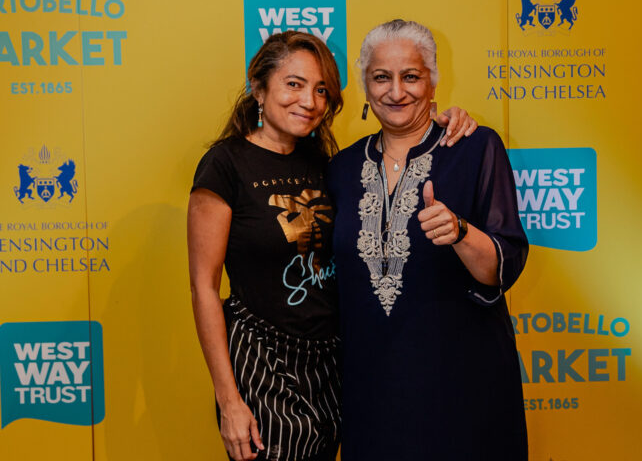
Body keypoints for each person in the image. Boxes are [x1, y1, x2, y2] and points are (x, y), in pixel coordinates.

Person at [187, 30, 477, 461]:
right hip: (264, 365)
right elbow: (204, 288)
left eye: (322, 89)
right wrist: (229, 401)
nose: (310, 100)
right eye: (294, 84)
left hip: (333, 365)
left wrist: (443, 118)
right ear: (258, 87)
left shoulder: (330, 165)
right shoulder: (225, 164)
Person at [327, 20, 529, 460]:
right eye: (381, 77)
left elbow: (502, 268)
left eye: (411, 76)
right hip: (371, 385)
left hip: (461, 383)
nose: (396, 91)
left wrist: (459, 232)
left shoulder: (475, 149)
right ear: (365, 85)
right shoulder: (340, 169)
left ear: (433, 80)